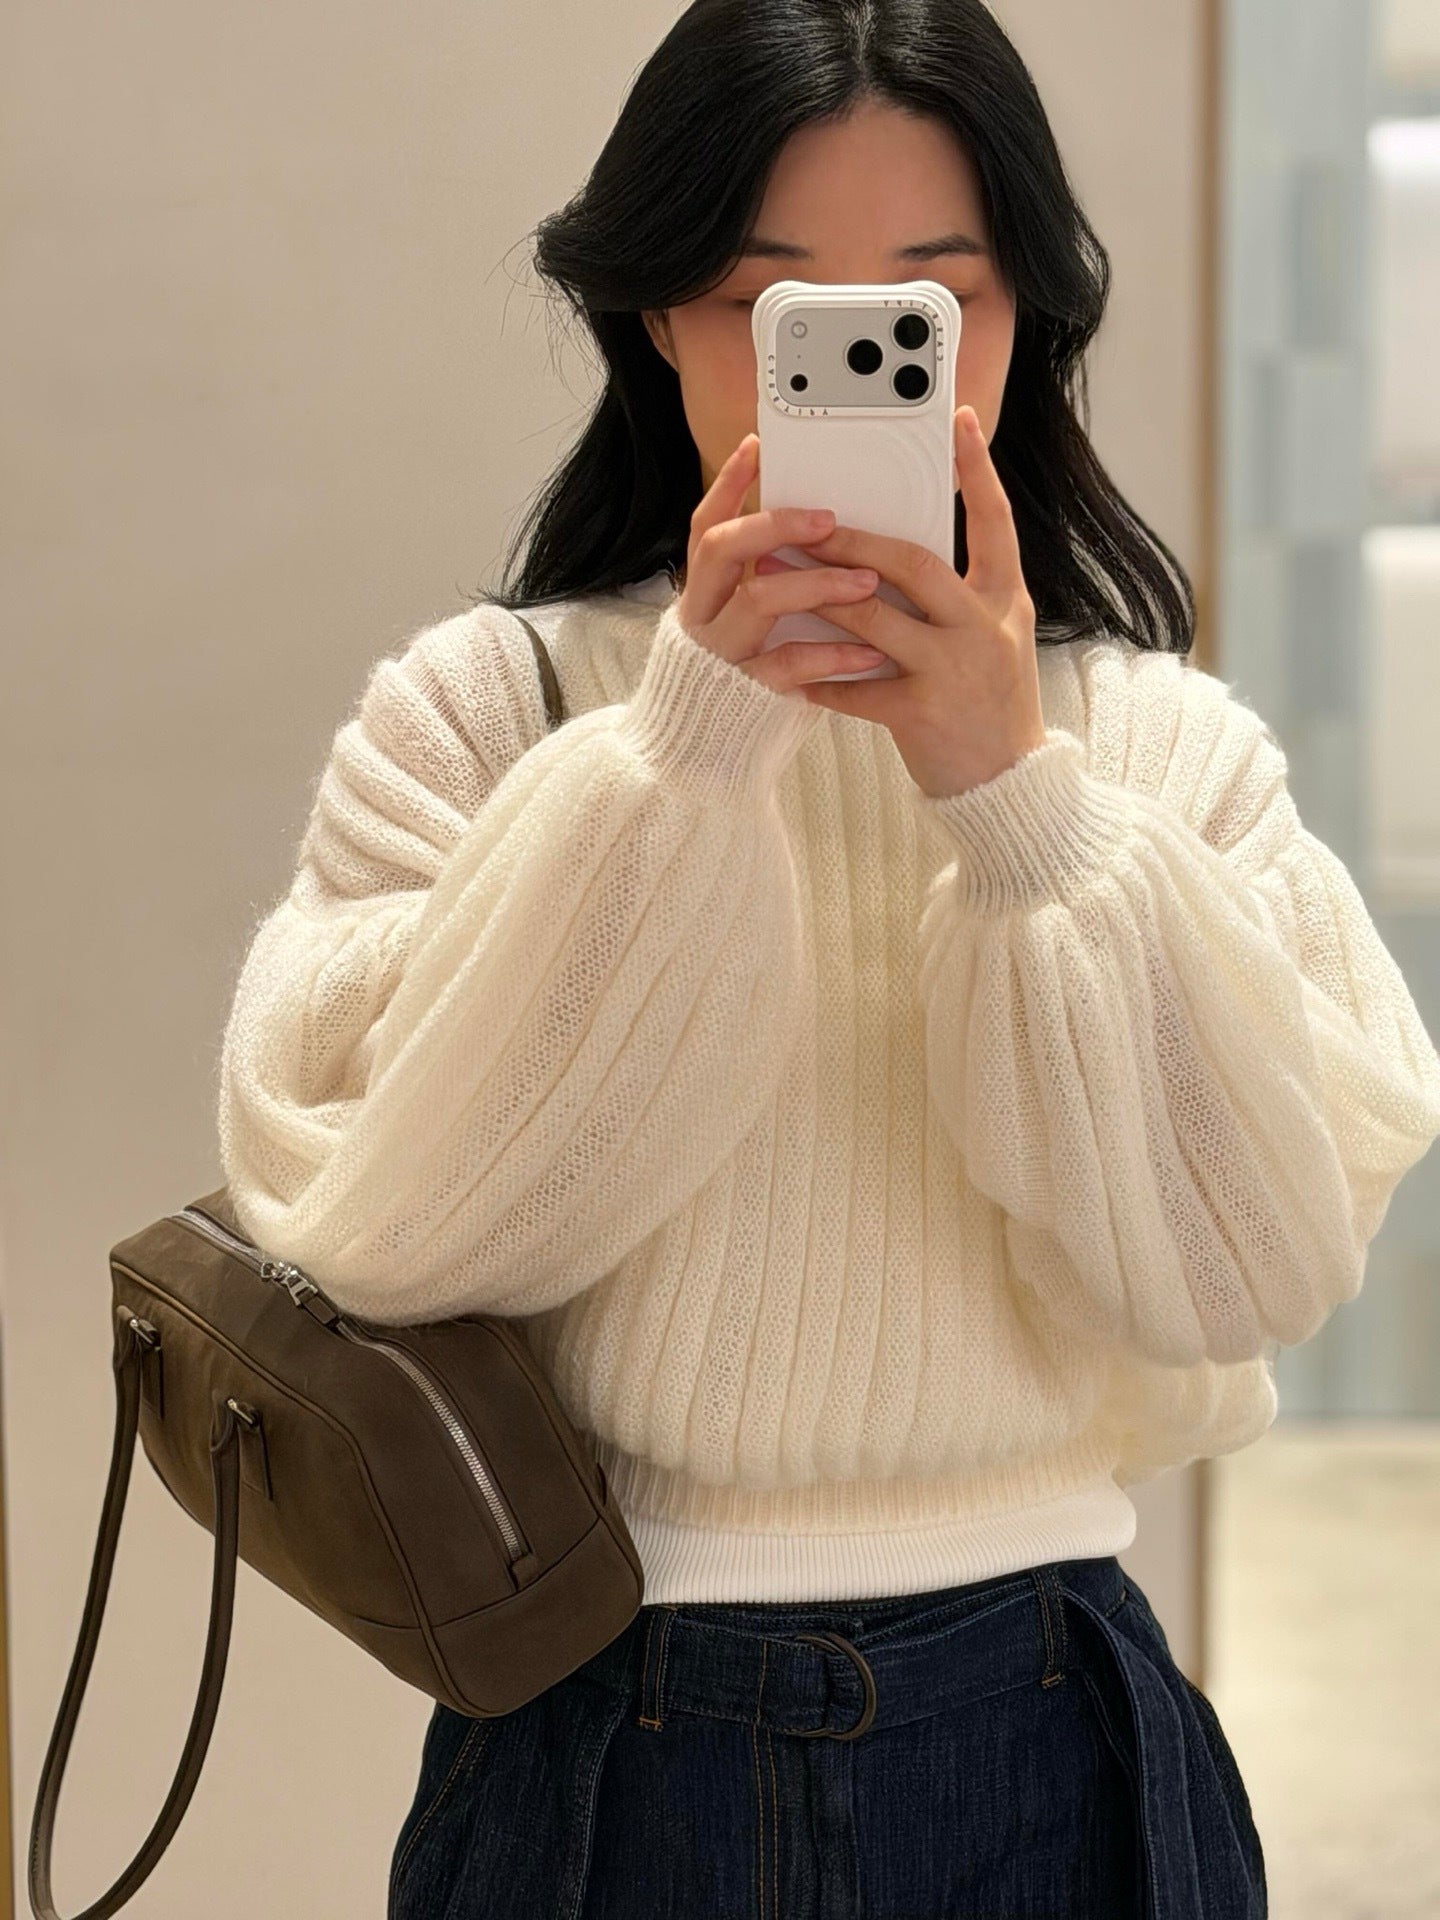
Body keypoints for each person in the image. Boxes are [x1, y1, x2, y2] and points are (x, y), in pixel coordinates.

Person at [215, 1, 1440, 1914]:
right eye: (770, 308)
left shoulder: (1155, 750)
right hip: (599, 1727)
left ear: (1023, 318)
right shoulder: (480, 714)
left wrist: (1010, 797)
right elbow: (391, 1233)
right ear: (656, 315)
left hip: (1049, 1722)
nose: (855, 371)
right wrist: (690, 755)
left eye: (929, 307)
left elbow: (1251, 1268)